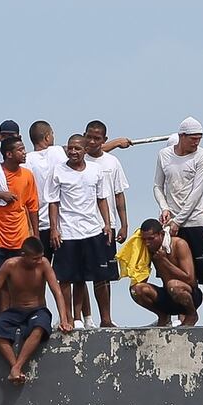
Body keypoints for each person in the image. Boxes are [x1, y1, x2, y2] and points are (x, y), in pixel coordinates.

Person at [153, 117, 203, 325]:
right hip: (171, 223)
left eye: (199, 139)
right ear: (182, 136)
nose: (196, 143)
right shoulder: (164, 155)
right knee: (171, 269)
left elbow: (197, 191)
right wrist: (165, 208)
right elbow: (158, 185)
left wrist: (179, 220)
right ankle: (178, 315)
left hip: (197, 222)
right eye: (192, 138)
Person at [0, 237, 72, 384]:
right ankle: (15, 367)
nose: (39, 261)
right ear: (24, 255)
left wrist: (64, 320)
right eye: (35, 259)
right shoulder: (10, 265)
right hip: (15, 311)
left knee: (40, 327)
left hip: (37, 310)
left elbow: (57, 292)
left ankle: (17, 367)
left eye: (40, 257)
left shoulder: (44, 264)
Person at [44, 135, 111, 327]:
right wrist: (54, 229)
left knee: (85, 277)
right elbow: (53, 202)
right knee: (65, 277)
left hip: (91, 230)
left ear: (85, 150)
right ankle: (67, 318)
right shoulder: (58, 171)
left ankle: (81, 316)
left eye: (77, 149)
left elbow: (101, 198)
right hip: (68, 231)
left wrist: (106, 223)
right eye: (70, 148)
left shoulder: (96, 170)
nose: (73, 152)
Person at [0, 136, 39, 317]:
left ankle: (15, 316)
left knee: (17, 280)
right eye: (20, 150)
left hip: (19, 235)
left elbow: (32, 206)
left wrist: (36, 235)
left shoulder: (27, 175)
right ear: (9, 154)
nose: (24, 153)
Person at [83, 120, 128, 327]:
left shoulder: (112, 163)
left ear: (104, 140)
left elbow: (119, 196)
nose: (92, 141)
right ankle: (83, 318)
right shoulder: (76, 158)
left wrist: (123, 223)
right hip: (80, 225)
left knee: (104, 276)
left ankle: (106, 318)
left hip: (105, 226)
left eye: (97, 138)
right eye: (89, 137)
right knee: (80, 274)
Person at [129, 219, 203, 326]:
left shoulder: (179, 244)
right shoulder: (149, 249)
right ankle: (163, 316)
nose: (147, 243)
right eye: (144, 240)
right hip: (168, 296)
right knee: (136, 289)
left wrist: (164, 261)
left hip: (189, 294)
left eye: (151, 239)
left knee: (173, 285)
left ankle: (191, 314)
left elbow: (190, 279)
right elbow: (141, 281)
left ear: (161, 234)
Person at [24, 120, 68, 261]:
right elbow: (87, 148)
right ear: (47, 137)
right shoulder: (58, 152)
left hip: (37, 223)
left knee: (38, 271)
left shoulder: (26, 160)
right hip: (61, 223)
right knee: (66, 276)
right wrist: (116, 143)